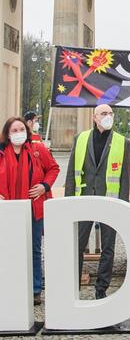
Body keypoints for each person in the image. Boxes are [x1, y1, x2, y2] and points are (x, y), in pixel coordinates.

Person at [65, 104, 130, 300]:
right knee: (77, 245)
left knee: (108, 248)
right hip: (83, 199)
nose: (108, 116)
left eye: (111, 113)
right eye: (104, 113)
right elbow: (71, 172)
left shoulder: (122, 142)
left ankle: (101, 289)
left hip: (109, 202)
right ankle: (72, 286)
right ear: (94, 117)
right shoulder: (81, 138)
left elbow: (124, 178)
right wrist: (69, 202)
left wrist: (124, 205)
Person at [0, 116, 59, 305]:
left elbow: (53, 168)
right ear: (7, 134)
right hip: (8, 209)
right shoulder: (1, 152)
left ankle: (35, 289)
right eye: (14, 130)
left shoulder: (37, 149)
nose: (18, 133)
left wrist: (44, 186)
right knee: (8, 248)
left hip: (34, 208)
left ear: (27, 131)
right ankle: (10, 285)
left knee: (33, 249)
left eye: (21, 129)